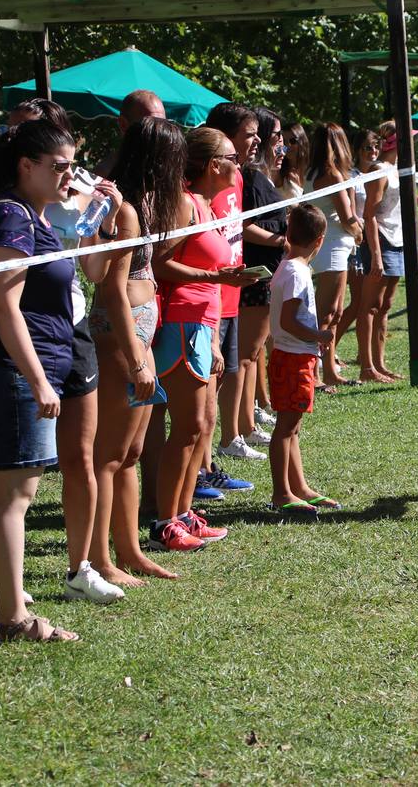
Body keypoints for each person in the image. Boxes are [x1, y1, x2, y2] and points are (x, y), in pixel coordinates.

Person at [0, 120, 88, 642]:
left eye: (72, 166)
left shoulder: (30, 216)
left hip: (23, 367)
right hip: (15, 369)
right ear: (26, 167)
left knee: (0, 491)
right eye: (58, 167)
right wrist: (38, 380)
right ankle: (15, 618)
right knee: (17, 492)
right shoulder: (11, 218)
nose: (69, 176)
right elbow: (2, 303)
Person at [0, 97, 124, 606]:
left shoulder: (79, 186)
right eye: (15, 134)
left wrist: (106, 222)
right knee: (19, 467)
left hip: (72, 329)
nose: (17, 141)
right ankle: (8, 579)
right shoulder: (5, 202)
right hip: (25, 330)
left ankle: (82, 568)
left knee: (81, 456)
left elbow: (93, 273)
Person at [85, 116, 187, 583]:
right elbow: (111, 291)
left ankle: (128, 550)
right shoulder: (123, 210)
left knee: (132, 451)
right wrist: (135, 356)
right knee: (109, 453)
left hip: (140, 335)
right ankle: (100, 558)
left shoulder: (145, 205)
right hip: (120, 337)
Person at [149, 128, 257, 552]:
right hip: (181, 323)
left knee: (203, 426)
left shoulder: (208, 208)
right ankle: (164, 522)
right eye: (233, 156)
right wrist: (217, 276)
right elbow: (160, 263)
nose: (239, 163)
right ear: (214, 165)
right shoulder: (184, 204)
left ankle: (182, 512)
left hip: (203, 324)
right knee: (189, 426)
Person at [267, 204, 338, 517]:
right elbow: (289, 320)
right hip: (294, 357)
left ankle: (299, 487)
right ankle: (282, 492)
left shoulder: (288, 266)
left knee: (291, 427)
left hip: (292, 356)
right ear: (320, 240)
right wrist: (318, 336)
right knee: (286, 428)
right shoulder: (296, 272)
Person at [205, 103, 263, 463]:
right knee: (211, 379)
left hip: (234, 288)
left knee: (229, 369)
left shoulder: (237, 177)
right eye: (249, 134)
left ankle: (231, 438)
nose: (256, 141)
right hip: (211, 291)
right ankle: (206, 463)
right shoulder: (203, 185)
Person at [236, 107, 287, 440]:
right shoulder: (251, 178)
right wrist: (281, 239)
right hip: (255, 271)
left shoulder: (264, 177)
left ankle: (250, 417)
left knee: (253, 353)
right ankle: (241, 428)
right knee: (246, 355)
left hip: (267, 272)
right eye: (277, 136)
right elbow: (244, 224)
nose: (281, 144)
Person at [307, 122, 365, 389]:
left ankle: (329, 370)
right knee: (326, 313)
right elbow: (348, 217)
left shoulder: (311, 171)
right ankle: (315, 373)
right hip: (333, 248)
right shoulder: (332, 174)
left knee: (334, 312)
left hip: (331, 246)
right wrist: (358, 231)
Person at [350, 128, 404, 383]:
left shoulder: (397, 169)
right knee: (369, 306)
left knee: (385, 307)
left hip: (398, 241)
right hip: (381, 241)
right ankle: (366, 367)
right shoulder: (379, 171)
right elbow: (369, 215)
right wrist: (376, 255)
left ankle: (379, 364)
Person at [94, 90, 166, 179]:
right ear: (123, 124)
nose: (159, 131)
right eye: (149, 125)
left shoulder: (166, 169)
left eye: (163, 124)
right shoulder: (105, 173)